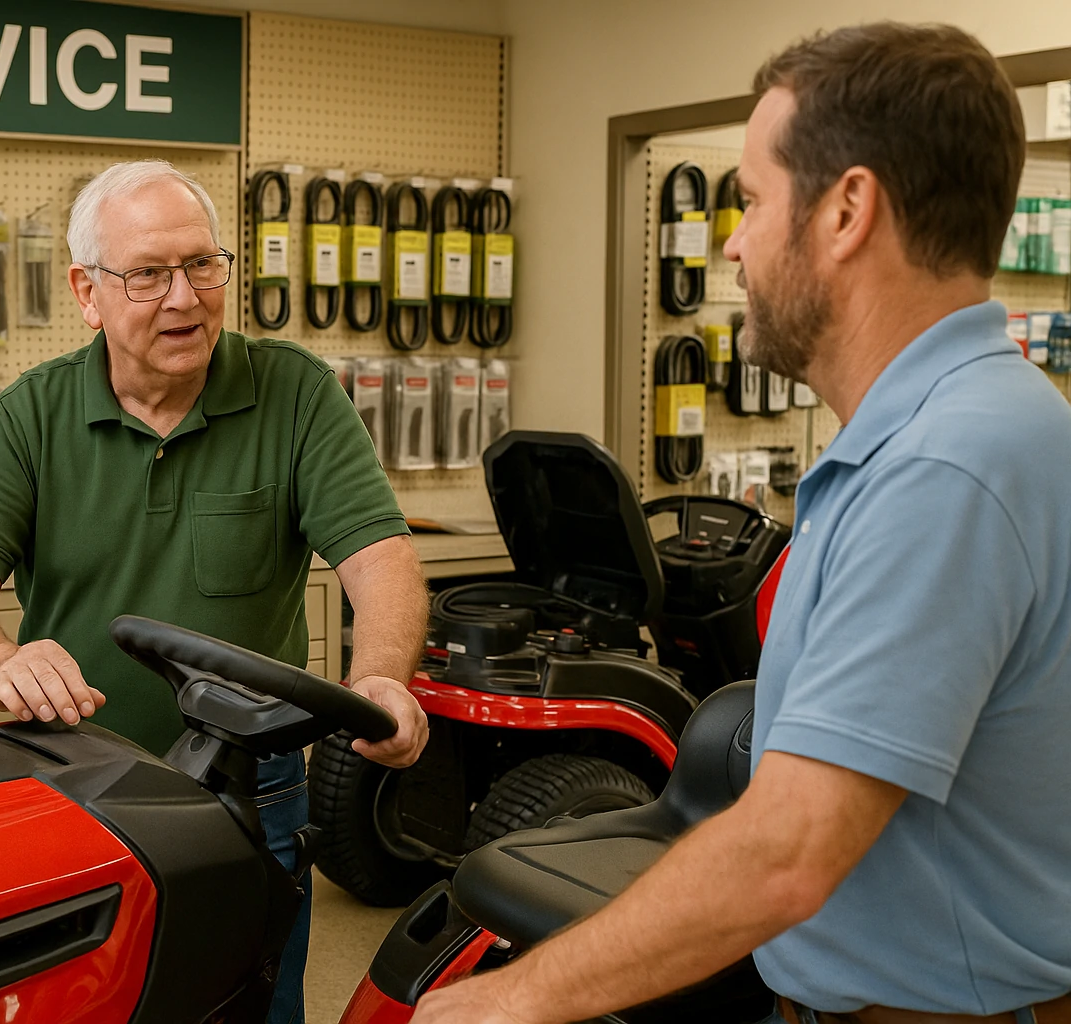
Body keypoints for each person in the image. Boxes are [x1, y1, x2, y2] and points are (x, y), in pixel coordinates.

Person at [413, 22, 1071, 1024]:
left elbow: (786, 852)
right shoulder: (951, 432)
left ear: (848, 208)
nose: (733, 240)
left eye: (754, 201)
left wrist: (509, 1002)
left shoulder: (949, 466)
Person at [0, 159, 429, 1024]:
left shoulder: (296, 394)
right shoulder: (29, 417)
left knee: (253, 1009)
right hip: (78, 790)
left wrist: (379, 675)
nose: (185, 297)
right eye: (149, 274)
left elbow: (381, 560)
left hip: (251, 793)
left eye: (202, 265)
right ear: (87, 291)